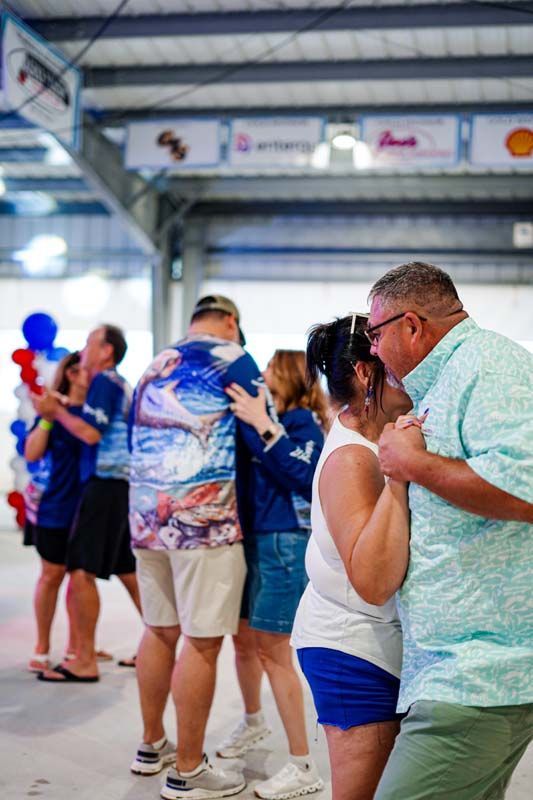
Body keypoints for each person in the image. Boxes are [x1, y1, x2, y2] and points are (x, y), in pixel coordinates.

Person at [359, 262, 533, 800]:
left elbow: (524, 490)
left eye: (375, 334)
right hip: (456, 664)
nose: (373, 351)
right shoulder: (452, 379)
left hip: (480, 671)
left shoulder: (488, 365)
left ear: (411, 326)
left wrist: (412, 466)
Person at [128, 295, 264, 800]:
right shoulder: (233, 357)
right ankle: (188, 770)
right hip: (202, 522)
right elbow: (258, 427)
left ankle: (151, 745)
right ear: (231, 321)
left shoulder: (152, 364)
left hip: (145, 513)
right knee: (202, 641)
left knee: (158, 630)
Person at [289, 314, 412, 800]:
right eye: (400, 365)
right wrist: (403, 474)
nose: (415, 374)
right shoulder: (353, 460)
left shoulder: (372, 434)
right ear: (367, 372)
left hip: (372, 643)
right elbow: (372, 579)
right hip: (353, 650)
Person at [219, 350, 327, 800]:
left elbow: (304, 478)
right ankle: (253, 721)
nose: (259, 379)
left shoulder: (300, 423)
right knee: (244, 639)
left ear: (286, 378)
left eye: (267, 372)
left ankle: (303, 765)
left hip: (283, 542)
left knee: (274, 650)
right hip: (253, 541)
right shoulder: (259, 421)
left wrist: (266, 426)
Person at [34, 324, 141, 683]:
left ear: (106, 350)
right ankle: (154, 641)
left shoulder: (106, 383)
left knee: (80, 572)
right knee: (124, 569)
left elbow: (92, 432)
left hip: (106, 483)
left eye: (89, 343)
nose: (81, 352)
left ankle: (83, 659)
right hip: (111, 485)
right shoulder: (112, 384)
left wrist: (55, 412)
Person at [24, 352, 87, 672]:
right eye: (80, 369)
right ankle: (42, 645)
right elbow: (32, 453)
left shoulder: (97, 413)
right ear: (71, 373)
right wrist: (50, 416)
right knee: (51, 576)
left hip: (89, 507)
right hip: (55, 506)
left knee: (81, 579)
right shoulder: (52, 408)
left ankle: (79, 647)